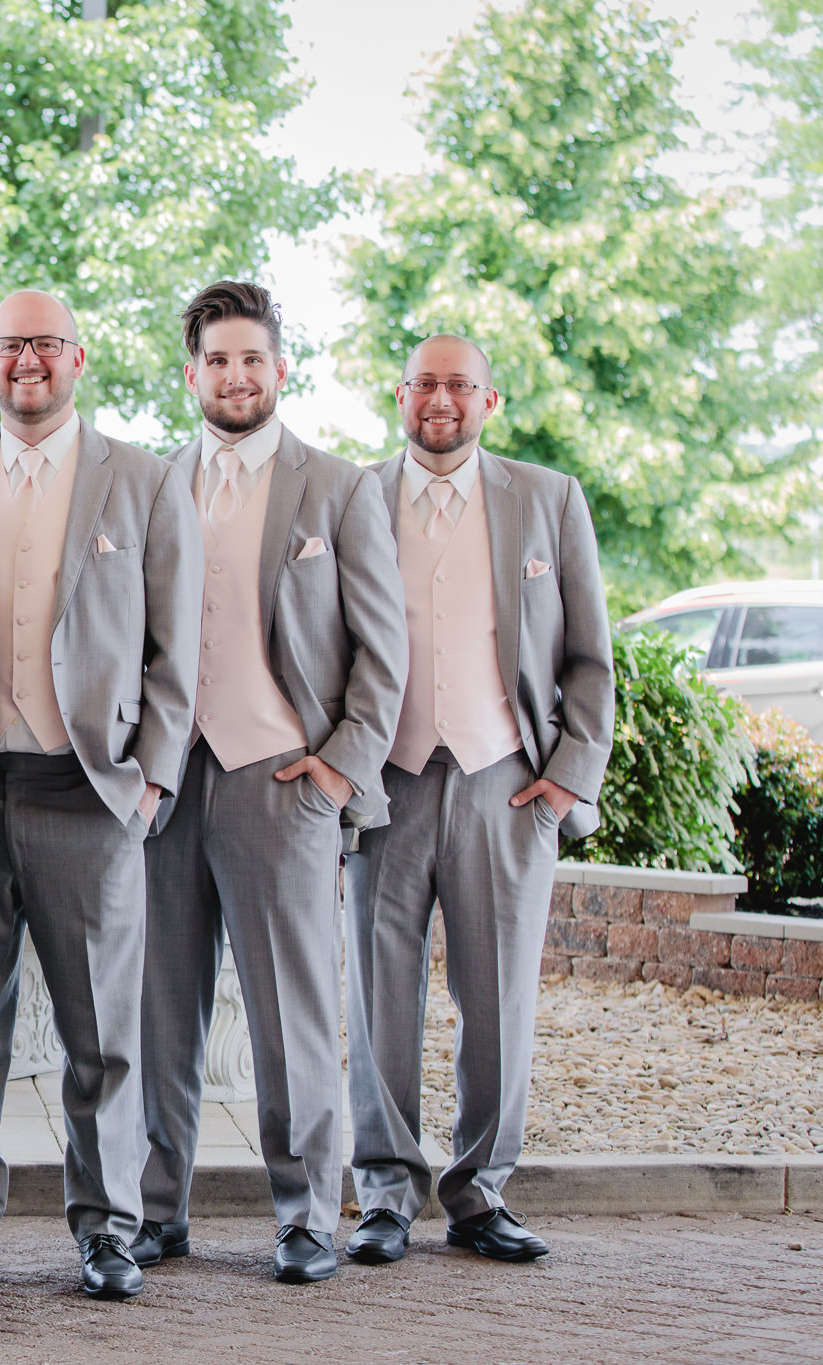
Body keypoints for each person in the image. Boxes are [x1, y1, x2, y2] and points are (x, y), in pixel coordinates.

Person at [138, 281, 406, 1283]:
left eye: (251, 359)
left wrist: (339, 765)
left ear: (279, 369)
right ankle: (156, 1210)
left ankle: (302, 1214)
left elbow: (383, 650)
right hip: (166, 783)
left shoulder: (335, 489)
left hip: (279, 777)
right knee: (156, 1008)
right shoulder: (150, 480)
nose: (234, 376)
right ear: (189, 373)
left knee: (291, 1011)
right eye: (215, 360)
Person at [0, 290, 202, 1299]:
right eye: (10, 345)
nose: (26, 361)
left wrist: (148, 782)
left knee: (101, 1034)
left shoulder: (140, 482)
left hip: (89, 791)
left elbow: (175, 649)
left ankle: (107, 1228)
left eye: (44, 345)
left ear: (77, 358)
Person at [344, 335, 613, 1266]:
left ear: (489, 400)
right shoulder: (356, 497)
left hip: (508, 780)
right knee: (380, 995)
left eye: (460, 384)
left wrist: (570, 771)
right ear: (400, 394)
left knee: (498, 998)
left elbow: (588, 654)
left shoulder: (548, 499)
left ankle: (480, 1191)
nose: (441, 400)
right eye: (425, 384)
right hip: (388, 780)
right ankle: (383, 1191)